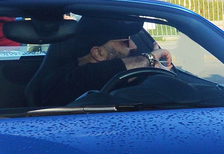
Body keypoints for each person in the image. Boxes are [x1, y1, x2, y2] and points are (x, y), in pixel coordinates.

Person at [35, 18, 172, 107]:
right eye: (125, 41)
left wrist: (157, 72)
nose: (134, 46)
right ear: (98, 53)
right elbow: (93, 75)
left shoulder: (135, 76)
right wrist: (149, 58)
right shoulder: (60, 82)